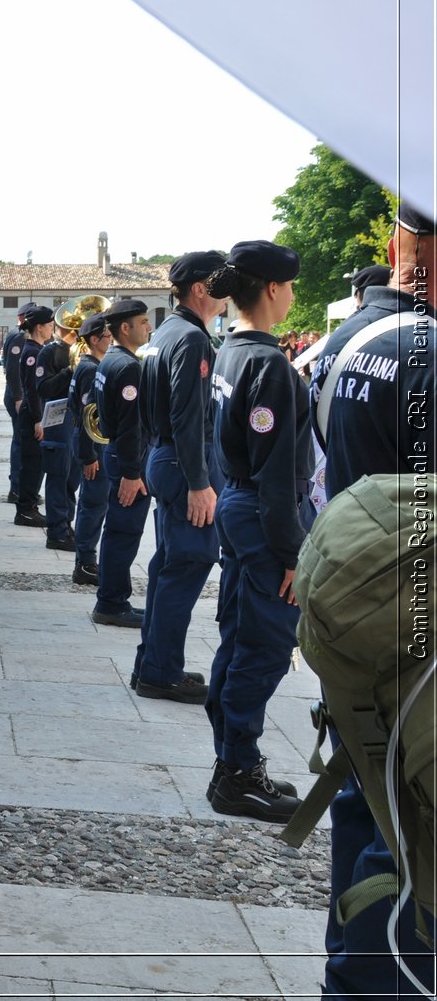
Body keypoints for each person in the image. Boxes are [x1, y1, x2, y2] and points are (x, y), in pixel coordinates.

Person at [310, 202, 436, 999]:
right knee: (410, 828)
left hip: (352, 612)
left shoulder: (350, 341)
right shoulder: (429, 353)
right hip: (412, 627)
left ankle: (347, 975)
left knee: (364, 804)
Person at [204, 240, 307, 824]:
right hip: (263, 512)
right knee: (264, 644)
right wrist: (292, 551)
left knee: (239, 635)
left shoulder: (232, 351)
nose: (291, 296)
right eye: (289, 287)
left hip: (242, 506)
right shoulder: (268, 363)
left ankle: (232, 764)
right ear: (272, 289)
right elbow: (274, 470)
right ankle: (239, 771)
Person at [131, 251, 226, 704]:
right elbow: (188, 417)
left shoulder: (167, 332)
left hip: (163, 456)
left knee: (169, 564)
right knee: (185, 566)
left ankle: (151, 662)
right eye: (221, 281)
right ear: (201, 289)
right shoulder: (191, 339)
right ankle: (160, 671)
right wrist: (199, 482)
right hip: (181, 461)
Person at [90, 298, 152, 628]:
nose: (149, 327)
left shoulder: (112, 360)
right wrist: (132, 472)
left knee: (118, 531)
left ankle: (115, 598)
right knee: (122, 534)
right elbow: (131, 425)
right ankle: (112, 603)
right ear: (125, 328)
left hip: (115, 453)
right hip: (126, 459)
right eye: (143, 322)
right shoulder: (128, 366)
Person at [69, 312, 112, 585]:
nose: (111, 340)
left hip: (91, 447)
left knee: (93, 505)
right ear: (95, 340)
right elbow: (88, 416)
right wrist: (89, 455)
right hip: (92, 448)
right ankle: (85, 563)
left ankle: (86, 559)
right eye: (107, 336)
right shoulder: (91, 369)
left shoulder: (88, 365)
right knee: (93, 506)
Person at [34, 315, 78, 550]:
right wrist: (69, 371)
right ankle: (57, 532)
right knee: (59, 476)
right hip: (58, 421)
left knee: (73, 478)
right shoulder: (50, 352)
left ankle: (66, 524)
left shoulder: (84, 351)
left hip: (76, 421)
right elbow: (43, 388)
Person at [12, 305, 55, 529]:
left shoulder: (37, 350)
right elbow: (32, 389)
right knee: (32, 465)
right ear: (39, 327)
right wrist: (40, 420)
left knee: (36, 464)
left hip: (34, 413)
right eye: (49, 325)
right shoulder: (33, 353)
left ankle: (29, 506)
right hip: (33, 415)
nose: (52, 329)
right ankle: (26, 510)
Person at [0, 307, 35, 503]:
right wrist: (19, 397)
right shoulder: (20, 336)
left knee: (20, 441)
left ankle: (18, 486)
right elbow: (13, 370)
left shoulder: (16, 333)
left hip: (16, 394)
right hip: (16, 395)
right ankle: (16, 488)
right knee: (21, 442)